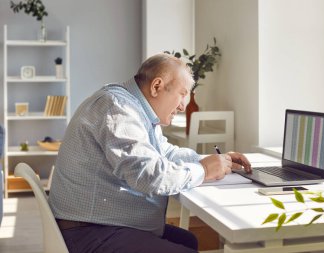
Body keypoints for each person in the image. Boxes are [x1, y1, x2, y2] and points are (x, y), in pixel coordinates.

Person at [48, 53, 252, 253]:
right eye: (182, 94)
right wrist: (203, 170)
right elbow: (149, 176)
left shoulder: (135, 109)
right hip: (88, 232)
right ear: (156, 87)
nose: (183, 106)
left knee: (188, 240)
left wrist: (214, 161)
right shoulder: (117, 108)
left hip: (100, 223)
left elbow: (165, 153)